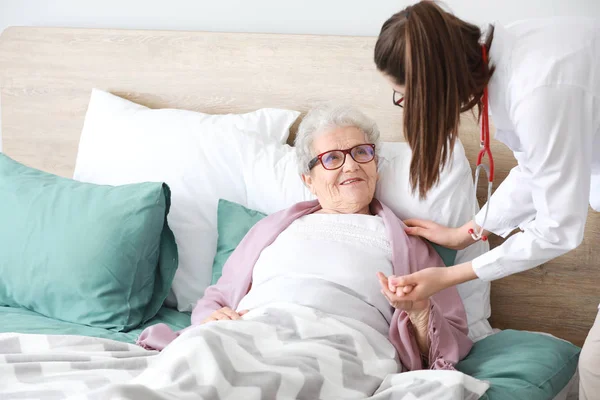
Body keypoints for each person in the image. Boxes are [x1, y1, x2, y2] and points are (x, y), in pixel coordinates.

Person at [136, 103, 473, 380]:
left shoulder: (408, 242)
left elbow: (444, 343)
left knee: (283, 378)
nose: (351, 164)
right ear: (308, 179)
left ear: (376, 166)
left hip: (342, 342)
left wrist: (418, 312)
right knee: (194, 366)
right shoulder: (274, 228)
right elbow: (217, 297)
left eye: (361, 152)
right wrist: (211, 319)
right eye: (332, 158)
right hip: (251, 330)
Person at [372, 2, 599, 398]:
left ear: (431, 88)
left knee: (596, 368)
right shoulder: (507, 50)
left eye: (404, 97)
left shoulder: (537, 89)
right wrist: (469, 232)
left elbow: (559, 229)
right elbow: (537, 167)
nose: (405, 107)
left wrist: (450, 275)